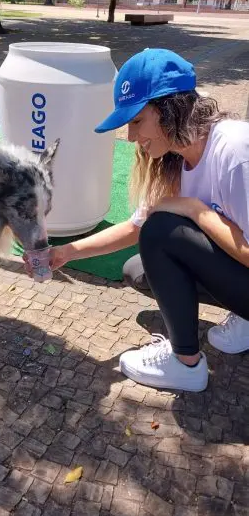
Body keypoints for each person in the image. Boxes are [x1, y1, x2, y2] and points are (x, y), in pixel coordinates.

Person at [33, 48, 249, 393]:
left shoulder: (236, 151)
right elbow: (135, 227)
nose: (131, 137)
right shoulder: (176, 158)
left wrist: (197, 210)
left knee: (162, 231)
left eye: (136, 121)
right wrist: (65, 253)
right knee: (141, 269)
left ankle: (185, 364)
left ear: (170, 110)